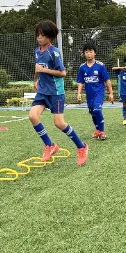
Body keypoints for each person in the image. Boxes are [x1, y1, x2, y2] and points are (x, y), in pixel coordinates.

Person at [29, 20, 89, 165]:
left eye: (42, 35)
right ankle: (50, 145)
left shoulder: (54, 53)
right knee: (32, 116)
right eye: (38, 35)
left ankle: (82, 147)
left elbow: (63, 73)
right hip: (43, 91)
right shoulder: (37, 50)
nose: (39, 37)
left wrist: (44, 71)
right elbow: (38, 67)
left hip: (56, 92)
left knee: (59, 123)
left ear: (50, 37)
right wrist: (35, 80)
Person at [77, 42, 114, 140]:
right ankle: (98, 130)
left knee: (97, 110)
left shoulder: (100, 66)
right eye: (86, 52)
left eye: (90, 52)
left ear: (95, 53)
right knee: (92, 112)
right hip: (89, 94)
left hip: (99, 92)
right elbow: (80, 81)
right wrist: (79, 93)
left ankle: (102, 132)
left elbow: (107, 80)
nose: (88, 54)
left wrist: (111, 93)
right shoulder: (82, 67)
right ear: (84, 53)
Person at [113, 55, 126, 125]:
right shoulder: (121, 71)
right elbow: (113, 68)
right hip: (123, 91)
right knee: (124, 105)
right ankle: (125, 119)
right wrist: (123, 67)